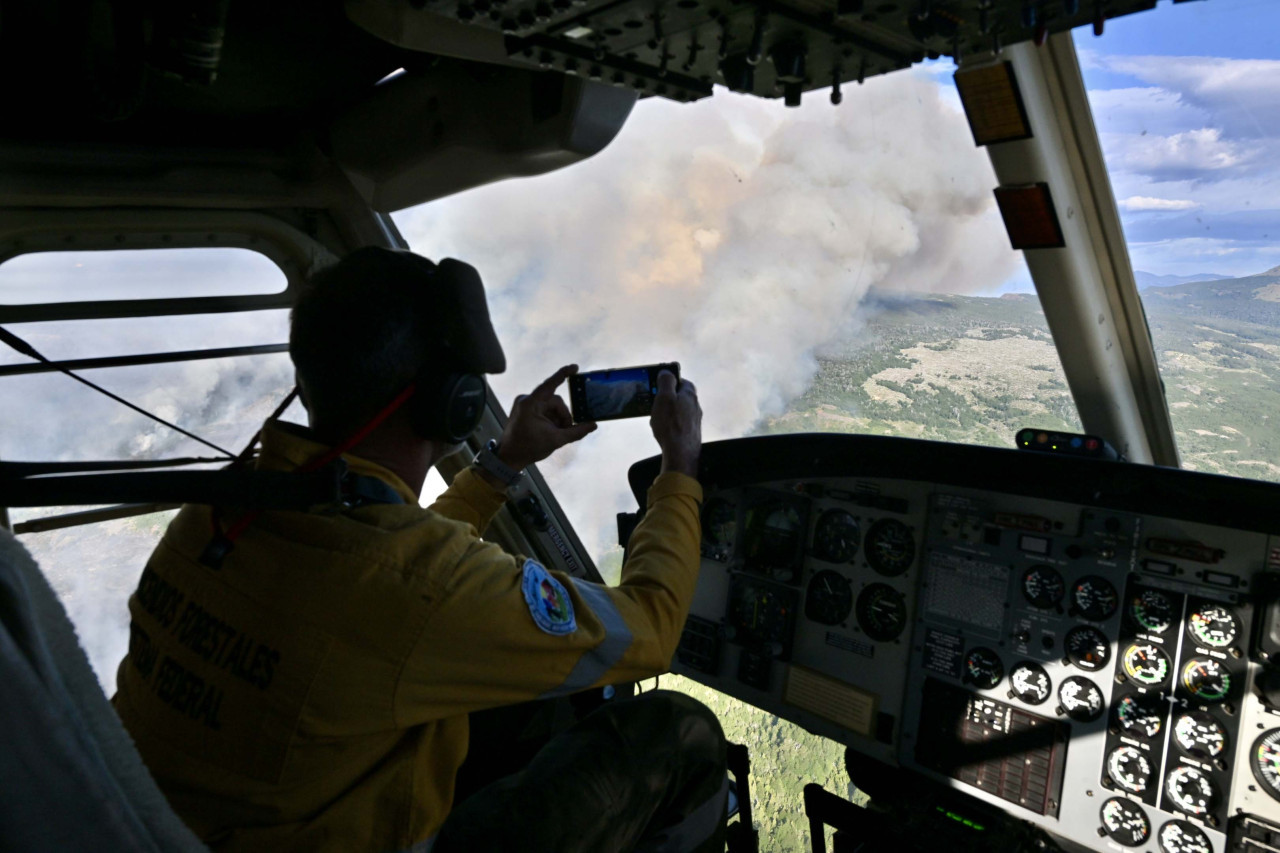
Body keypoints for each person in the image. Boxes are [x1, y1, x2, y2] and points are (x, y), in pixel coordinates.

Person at [112, 246, 727, 853]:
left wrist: (503, 463)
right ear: (454, 403)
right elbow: (652, 631)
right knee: (677, 732)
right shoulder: (415, 587)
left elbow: (387, 574)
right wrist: (680, 466)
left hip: (187, 820)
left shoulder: (216, 516)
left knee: (545, 704)